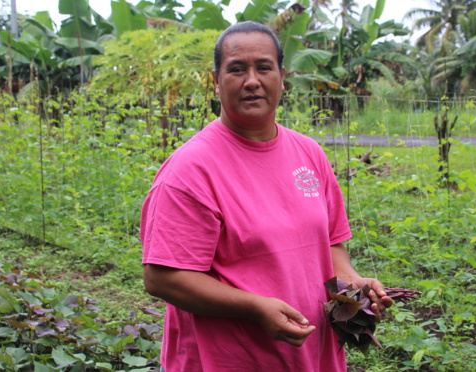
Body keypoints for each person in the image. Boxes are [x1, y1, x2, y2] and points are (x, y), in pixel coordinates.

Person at [140, 21, 393, 372]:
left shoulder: (309, 153)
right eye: (237, 69)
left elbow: (330, 244)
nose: (252, 81)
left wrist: (353, 282)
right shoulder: (190, 171)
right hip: (229, 361)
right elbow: (163, 278)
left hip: (310, 355)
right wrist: (255, 307)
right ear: (215, 81)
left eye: (263, 67)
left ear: (282, 76)